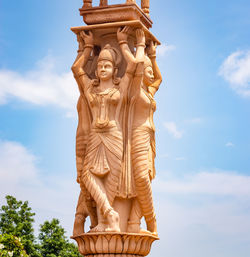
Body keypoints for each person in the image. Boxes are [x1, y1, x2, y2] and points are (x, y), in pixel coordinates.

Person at [71, 27, 145, 233]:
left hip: (114, 134)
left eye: (107, 65)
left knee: (112, 177)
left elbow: (135, 65)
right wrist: (86, 48)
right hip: (95, 135)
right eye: (100, 65)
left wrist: (125, 43)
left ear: (114, 69)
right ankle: (109, 212)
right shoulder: (89, 88)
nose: (102, 68)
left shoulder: (120, 88)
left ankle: (107, 221)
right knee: (87, 175)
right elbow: (76, 69)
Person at [128, 40, 162, 235]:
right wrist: (137, 45)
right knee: (140, 177)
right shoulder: (134, 89)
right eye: (147, 70)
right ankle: (151, 219)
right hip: (136, 135)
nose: (151, 73)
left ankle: (135, 220)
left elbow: (159, 78)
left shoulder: (148, 91)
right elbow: (137, 68)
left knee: (146, 178)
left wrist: (153, 57)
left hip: (150, 137)